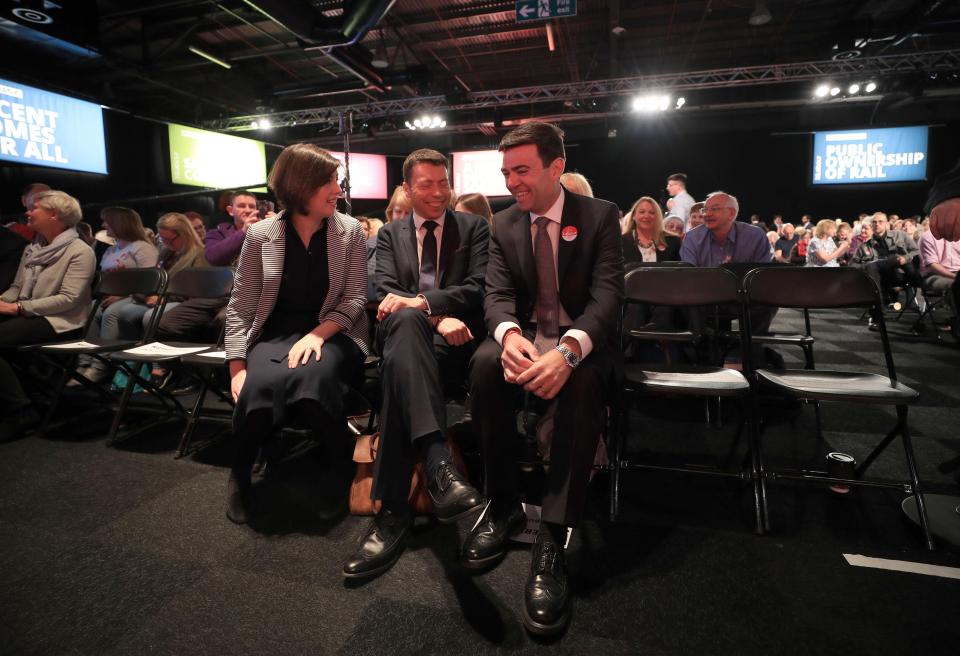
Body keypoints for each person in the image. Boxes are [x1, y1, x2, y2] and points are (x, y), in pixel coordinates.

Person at [468, 122, 623, 637]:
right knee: (486, 364)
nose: (512, 181)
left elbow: (606, 300)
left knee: (579, 382)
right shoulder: (504, 223)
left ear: (556, 167)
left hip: (581, 338)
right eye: (506, 171)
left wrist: (571, 350)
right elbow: (495, 296)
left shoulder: (600, 217)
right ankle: (504, 502)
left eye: (522, 170)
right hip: (528, 334)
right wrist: (510, 336)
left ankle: (554, 532)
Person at [342, 148, 490, 579]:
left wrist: (429, 308)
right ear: (407, 188)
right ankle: (437, 461)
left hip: (456, 341)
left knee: (396, 374)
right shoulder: (390, 234)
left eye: (443, 182)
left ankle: (392, 514)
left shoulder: (475, 228)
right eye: (426, 184)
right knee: (404, 324)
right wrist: (433, 317)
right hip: (413, 333)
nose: (438, 192)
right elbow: (387, 291)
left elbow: (478, 288)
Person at [224, 143, 369, 525]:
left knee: (311, 382)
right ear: (301, 186)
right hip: (275, 333)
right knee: (256, 386)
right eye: (330, 182)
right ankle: (239, 474)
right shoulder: (260, 235)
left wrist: (318, 335)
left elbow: (355, 298)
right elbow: (241, 305)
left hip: (335, 329)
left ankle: (339, 470)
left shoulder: (349, 231)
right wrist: (236, 366)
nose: (338, 190)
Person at [0, 191, 96, 440]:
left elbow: (68, 299)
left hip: (61, 321)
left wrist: (18, 308)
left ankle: (21, 411)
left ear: (54, 214)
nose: (28, 213)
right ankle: (25, 400)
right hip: (31, 315)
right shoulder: (34, 247)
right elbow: (17, 287)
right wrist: (4, 300)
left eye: (34, 209)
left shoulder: (80, 251)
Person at [153, 192, 263, 344]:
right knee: (164, 323)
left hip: (249, 294)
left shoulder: (267, 231)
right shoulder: (217, 233)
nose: (248, 209)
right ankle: (189, 366)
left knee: (225, 319)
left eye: (252, 206)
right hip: (217, 295)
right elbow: (213, 257)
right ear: (231, 210)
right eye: (242, 206)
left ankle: (227, 366)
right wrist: (244, 232)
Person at [74, 207, 160, 384]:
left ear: (120, 223)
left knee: (111, 312)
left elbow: (151, 281)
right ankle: (84, 362)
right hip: (111, 296)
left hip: (138, 297)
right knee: (89, 310)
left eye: (107, 221)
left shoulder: (142, 248)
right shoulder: (112, 250)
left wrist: (124, 295)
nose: (103, 224)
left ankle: (100, 365)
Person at [621, 196, 681, 264]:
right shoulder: (621, 242)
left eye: (652, 213)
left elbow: (677, 272)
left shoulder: (672, 241)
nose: (646, 216)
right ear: (634, 216)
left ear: (657, 216)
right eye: (642, 212)